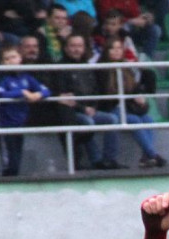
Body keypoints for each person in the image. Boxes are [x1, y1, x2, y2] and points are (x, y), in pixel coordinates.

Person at [50, 32, 122, 170]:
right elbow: (66, 96)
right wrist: (84, 109)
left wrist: (93, 107)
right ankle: (96, 160)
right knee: (88, 122)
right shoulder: (60, 67)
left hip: (90, 109)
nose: (77, 49)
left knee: (112, 119)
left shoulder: (88, 67)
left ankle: (109, 160)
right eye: (73, 46)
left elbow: (95, 89)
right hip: (73, 112)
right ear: (65, 48)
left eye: (80, 46)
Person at [96, 37, 167, 168]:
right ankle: (153, 155)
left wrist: (140, 101)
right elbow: (106, 96)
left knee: (148, 120)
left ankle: (146, 157)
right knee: (134, 120)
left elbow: (134, 89)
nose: (117, 51)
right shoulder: (101, 69)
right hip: (111, 108)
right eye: (113, 48)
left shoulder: (127, 68)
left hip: (127, 107)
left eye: (119, 48)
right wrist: (129, 98)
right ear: (107, 51)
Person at [0, 42, 50, 176]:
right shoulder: (2, 78)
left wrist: (38, 94)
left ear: (20, 58)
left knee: (18, 156)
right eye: (6, 59)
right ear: (2, 63)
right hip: (5, 125)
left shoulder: (26, 77)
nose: (11, 61)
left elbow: (46, 90)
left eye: (13, 57)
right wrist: (22, 93)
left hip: (20, 123)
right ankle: (7, 182)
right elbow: (0, 93)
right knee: (10, 161)